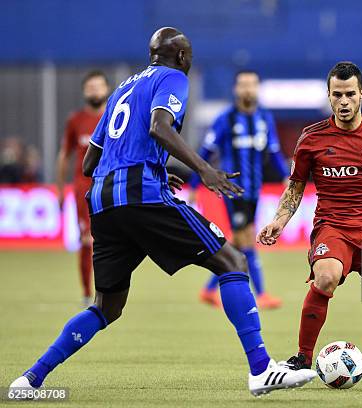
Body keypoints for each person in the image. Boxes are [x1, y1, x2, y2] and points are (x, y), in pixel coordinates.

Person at [9, 27, 316, 398]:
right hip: (142, 195)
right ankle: (261, 369)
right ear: (183, 57)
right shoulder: (173, 77)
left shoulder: (122, 88)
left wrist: (151, 168)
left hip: (104, 199)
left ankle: (30, 379)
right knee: (233, 261)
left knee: (107, 305)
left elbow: (90, 161)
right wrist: (204, 169)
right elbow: (159, 126)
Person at [257, 61, 362, 388]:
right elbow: (295, 187)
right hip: (333, 228)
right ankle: (302, 359)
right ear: (328, 96)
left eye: (349, 94)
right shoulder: (312, 139)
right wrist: (279, 220)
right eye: (337, 95)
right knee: (327, 277)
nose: (343, 101)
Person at [190, 70, 288, 309]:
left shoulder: (265, 117)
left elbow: (274, 152)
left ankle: (209, 289)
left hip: (254, 189)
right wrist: (194, 184)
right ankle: (262, 293)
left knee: (238, 241)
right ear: (236, 89)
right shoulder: (226, 118)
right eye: (243, 85)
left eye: (252, 84)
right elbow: (205, 153)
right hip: (233, 189)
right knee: (247, 240)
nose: (248, 89)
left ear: (257, 88)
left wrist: (288, 177)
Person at [57, 71, 110, 306]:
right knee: (87, 240)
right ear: (84, 92)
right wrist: (60, 189)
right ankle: (89, 294)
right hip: (84, 189)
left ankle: (111, 289)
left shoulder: (116, 117)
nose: (95, 91)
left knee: (112, 240)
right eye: (90, 87)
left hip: (111, 186)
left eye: (98, 87)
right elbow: (64, 155)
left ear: (107, 89)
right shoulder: (76, 120)